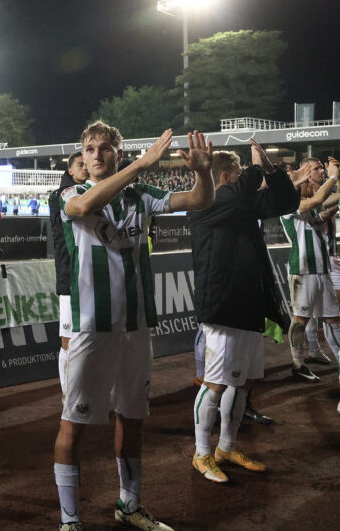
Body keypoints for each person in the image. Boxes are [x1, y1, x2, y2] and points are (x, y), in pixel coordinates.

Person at [55, 121, 214, 531]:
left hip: (136, 329)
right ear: (82, 156)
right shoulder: (70, 193)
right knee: (74, 424)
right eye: (89, 148)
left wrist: (203, 172)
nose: (96, 154)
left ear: (117, 154)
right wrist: (142, 164)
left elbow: (199, 200)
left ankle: (129, 505)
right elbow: (82, 210)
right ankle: (70, 520)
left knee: (132, 417)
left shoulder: (140, 195)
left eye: (104, 147)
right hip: (92, 329)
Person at [190, 139, 300, 485]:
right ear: (225, 177)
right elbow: (240, 192)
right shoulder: (209, 200)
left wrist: (270, 170)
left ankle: (226, 447)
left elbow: (288, 201)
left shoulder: (241, 202)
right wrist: (254, 168)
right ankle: (201, 453)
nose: (247, 179)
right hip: (222, 303)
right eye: (238, 173)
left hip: (249, 301)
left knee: (242, 381)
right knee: (215, 383)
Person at [281, 156, 340, 393]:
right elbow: (319, 200)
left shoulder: (312, 205)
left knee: (333, 319)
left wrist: (336, 182)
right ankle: (298, 363)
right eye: (307, 179)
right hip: (303, 271)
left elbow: (326, 204)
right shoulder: (290, 204)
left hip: (322, 270)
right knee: (300, 320)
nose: (310, 183)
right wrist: (333, 176)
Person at [49, 151, 87, 389]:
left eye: (86, 164)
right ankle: (67, 393)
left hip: (90, 277)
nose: (85, 167)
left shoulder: (90, 191)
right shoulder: (60, 196)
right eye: (80, 164)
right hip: (70, 276)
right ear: (70, 170)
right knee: (68, 340)